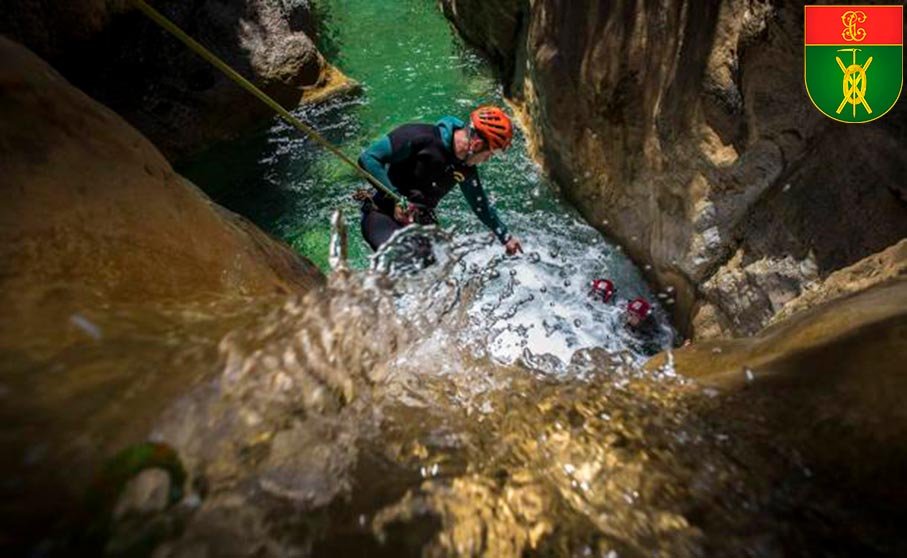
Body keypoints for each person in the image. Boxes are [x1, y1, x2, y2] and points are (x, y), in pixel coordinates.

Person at [356, 106, 523, 256]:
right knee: (400, 259)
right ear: (477, 145)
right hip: (383, 214)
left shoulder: (466, 168)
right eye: (489, 155)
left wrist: (505, 237)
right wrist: (396, 198)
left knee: (437, 274)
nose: (487, 160)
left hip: (420, 223)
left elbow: (480, 205)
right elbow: (368, 158)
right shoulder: (419, 137)